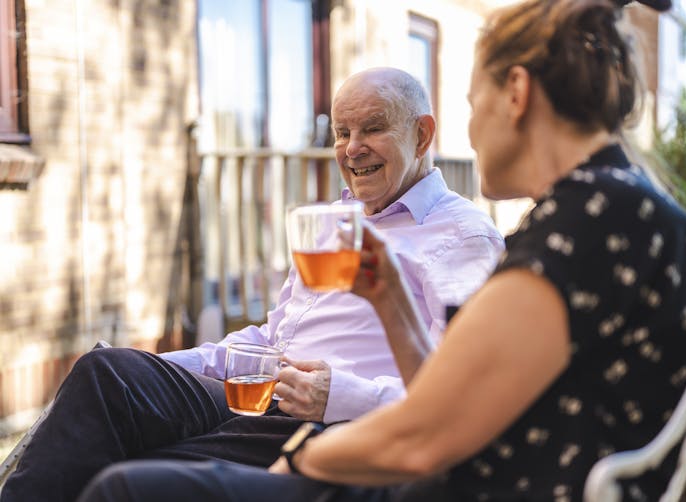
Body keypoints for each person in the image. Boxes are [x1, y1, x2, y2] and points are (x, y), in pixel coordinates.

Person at [74, 0, 686, 501]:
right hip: (440, 476)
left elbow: (426, 436)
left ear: (517, 95)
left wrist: (302, 459)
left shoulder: (588, 222)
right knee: (118, 415)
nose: (470, 127)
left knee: (123, 489)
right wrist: (388, 294)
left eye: (472, 102)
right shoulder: (616, 208)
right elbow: (445, 398)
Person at [0, 68, 505, 502]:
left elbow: (458, 397)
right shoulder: (334, 220)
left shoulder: (461, 236)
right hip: (263, 396)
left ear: (421, 135)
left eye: (372, 129)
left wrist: (341, 395)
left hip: (333, 426)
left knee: (128, 471)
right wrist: (162, 366)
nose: (353, 149)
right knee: (109, 372)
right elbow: (273, 338)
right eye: (341, 132)